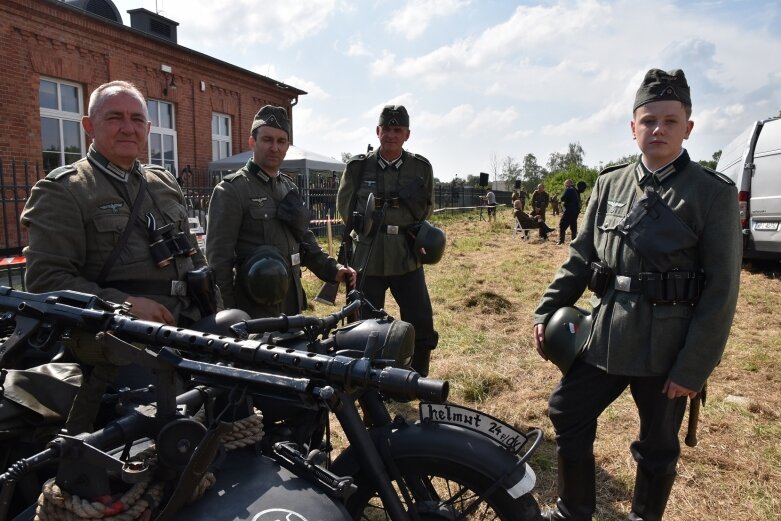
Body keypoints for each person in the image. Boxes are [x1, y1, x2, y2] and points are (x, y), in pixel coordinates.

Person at [532, 69, 741, 521]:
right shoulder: (609, 184)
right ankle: (573, 510)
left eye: (670, 120)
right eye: (648, 121)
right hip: (606, 333)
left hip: (667, 347)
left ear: (688, 127)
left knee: (658, 445)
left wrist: (694, 365)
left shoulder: (710, 193)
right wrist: (545, 311)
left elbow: (721, 291)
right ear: (633, 128)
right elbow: (579, 258)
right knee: (567, 411)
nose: (658, 129)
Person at [21, 80, 214, 432]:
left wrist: (211, 300)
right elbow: (45, 282)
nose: (128, 127)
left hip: (189, 322)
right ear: (89, 126)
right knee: (165, 429)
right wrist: (124, 305)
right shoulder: (64, 190)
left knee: (245, 390)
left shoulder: (163, 182)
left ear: (148, 129)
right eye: (115, 118)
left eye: (137, 119)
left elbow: (192, 256)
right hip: (123, 340)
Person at [206, 105, 355, 318]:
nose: (274, 147)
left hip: (290, 302)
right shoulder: (232, 190)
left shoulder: (289, 188)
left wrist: (333, 269)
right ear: (252, 142)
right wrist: (230, 315)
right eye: (267, 140)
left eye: (281, 141)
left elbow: (306, 241)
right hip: (253, 310)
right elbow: (218, 263)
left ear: (287, 146)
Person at [336, 105, 438, 376]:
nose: (391, 135)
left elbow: (427, 209)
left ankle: (416, 378)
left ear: (407, 134)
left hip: (406, 256)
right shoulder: (358, 167)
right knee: (364, 326)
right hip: (369, 257)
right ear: (377, 131)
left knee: (420, 320)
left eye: (398, 130)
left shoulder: (420, 168)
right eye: (387, 129)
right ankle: (368, 382)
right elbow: (344, 208)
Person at [558, 180, 580, 245]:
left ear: (569, 184)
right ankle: (574, 241)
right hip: (575, 211)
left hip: (569, 210)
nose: (565, 185)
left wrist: (561, 201)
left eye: (566, 184)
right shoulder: (575, 190)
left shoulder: (569, 189)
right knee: (573, 225)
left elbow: (563, 198)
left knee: (562, 225)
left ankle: (561, 241)